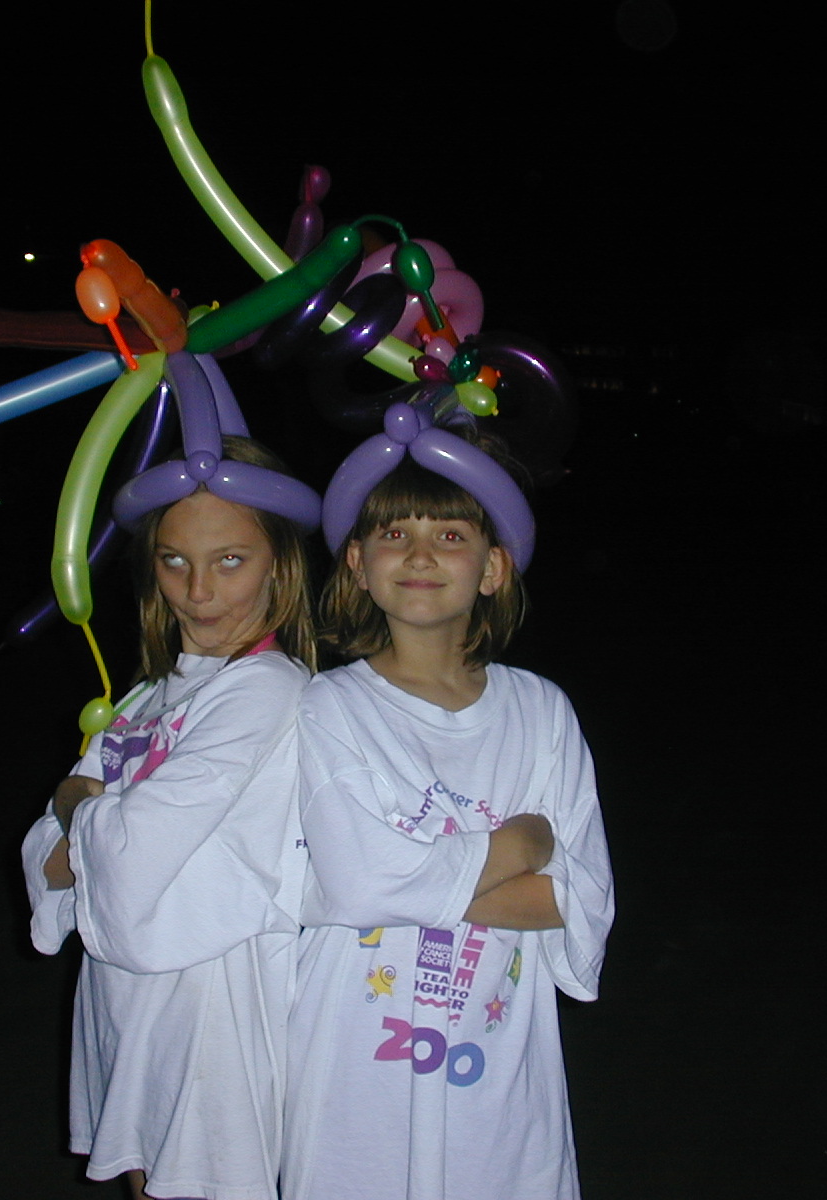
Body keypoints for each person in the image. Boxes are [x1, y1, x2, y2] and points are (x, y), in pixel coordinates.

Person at [283, 417, 615, 1200]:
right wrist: (523, 839)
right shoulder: (327, 709)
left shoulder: (541, 712)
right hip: (352, 1066)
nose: (422, 554)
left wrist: (417, 882)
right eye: (395, 531)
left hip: (496, 1071)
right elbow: (361, 883)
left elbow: (579, 897)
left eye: (451, 534)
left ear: (495, 568)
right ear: (358, 564)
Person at [21, 434, 320, 1200]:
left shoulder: (266, 692)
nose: (198, 591)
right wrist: (88, 820)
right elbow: (48, 859)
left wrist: (79, 806)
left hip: (209, 1016)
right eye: (174, 560)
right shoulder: (143, 697)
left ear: (278, 563)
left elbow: (115, 862)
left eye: (230, 560)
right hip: (124, 1000)